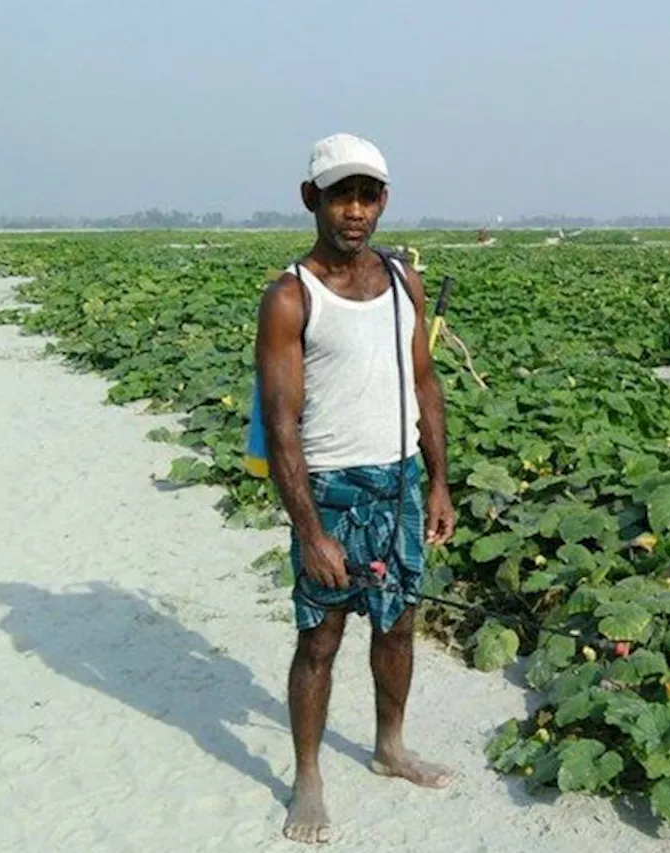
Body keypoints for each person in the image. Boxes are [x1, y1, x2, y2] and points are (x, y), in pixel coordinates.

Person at [255, 132, 457, 844]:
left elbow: (425, 383)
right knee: (320, 636)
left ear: (384, 201)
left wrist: (437, 481)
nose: (355, 210)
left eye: (368, 195)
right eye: (342, 193)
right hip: (331, 488)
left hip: (399, 481)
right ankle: (308, 776)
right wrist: (310, 531)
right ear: (311, 198)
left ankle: (389, 745)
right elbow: (281, 428)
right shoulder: (289, 296)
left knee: (398, 622)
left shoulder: (404, 281)